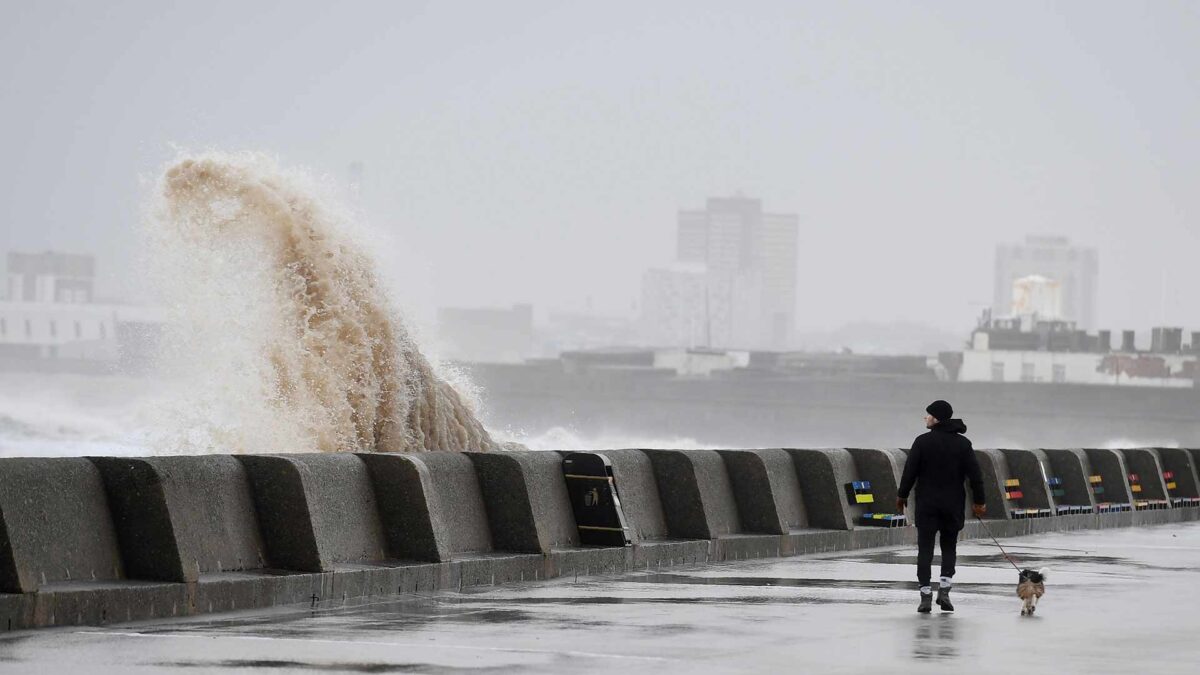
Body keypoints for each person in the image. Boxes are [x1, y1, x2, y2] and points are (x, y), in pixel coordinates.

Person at [896, 399, 986, 614]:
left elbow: (910, 472)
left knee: (925, 549)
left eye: (927, 415)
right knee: (949, 547)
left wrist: (902, 495)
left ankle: (925, 595)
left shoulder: (922, 442)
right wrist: (979, 501)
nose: (925, 418)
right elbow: (976, 476)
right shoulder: (963, 444)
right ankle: (944, 591)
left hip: (927, 505)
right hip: (952, 504)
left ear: (935, 418)